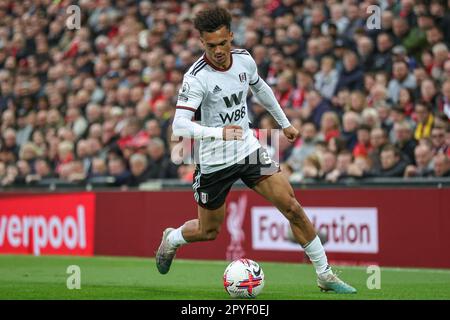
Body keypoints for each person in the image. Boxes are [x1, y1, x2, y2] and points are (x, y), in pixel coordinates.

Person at [155, 6, 356, 294]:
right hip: (214, 161)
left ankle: (325, 274)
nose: (219, 51)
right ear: (202, 43)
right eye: (211, 46)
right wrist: (217, 132)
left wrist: (284, 123)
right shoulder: (196, 77)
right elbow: (180, 126)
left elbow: (261, 89)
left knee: (292, 207)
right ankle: (172, 238)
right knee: (208, 231)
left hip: (248, 150)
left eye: (224, 43)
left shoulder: (244, 60)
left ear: (231, 37)